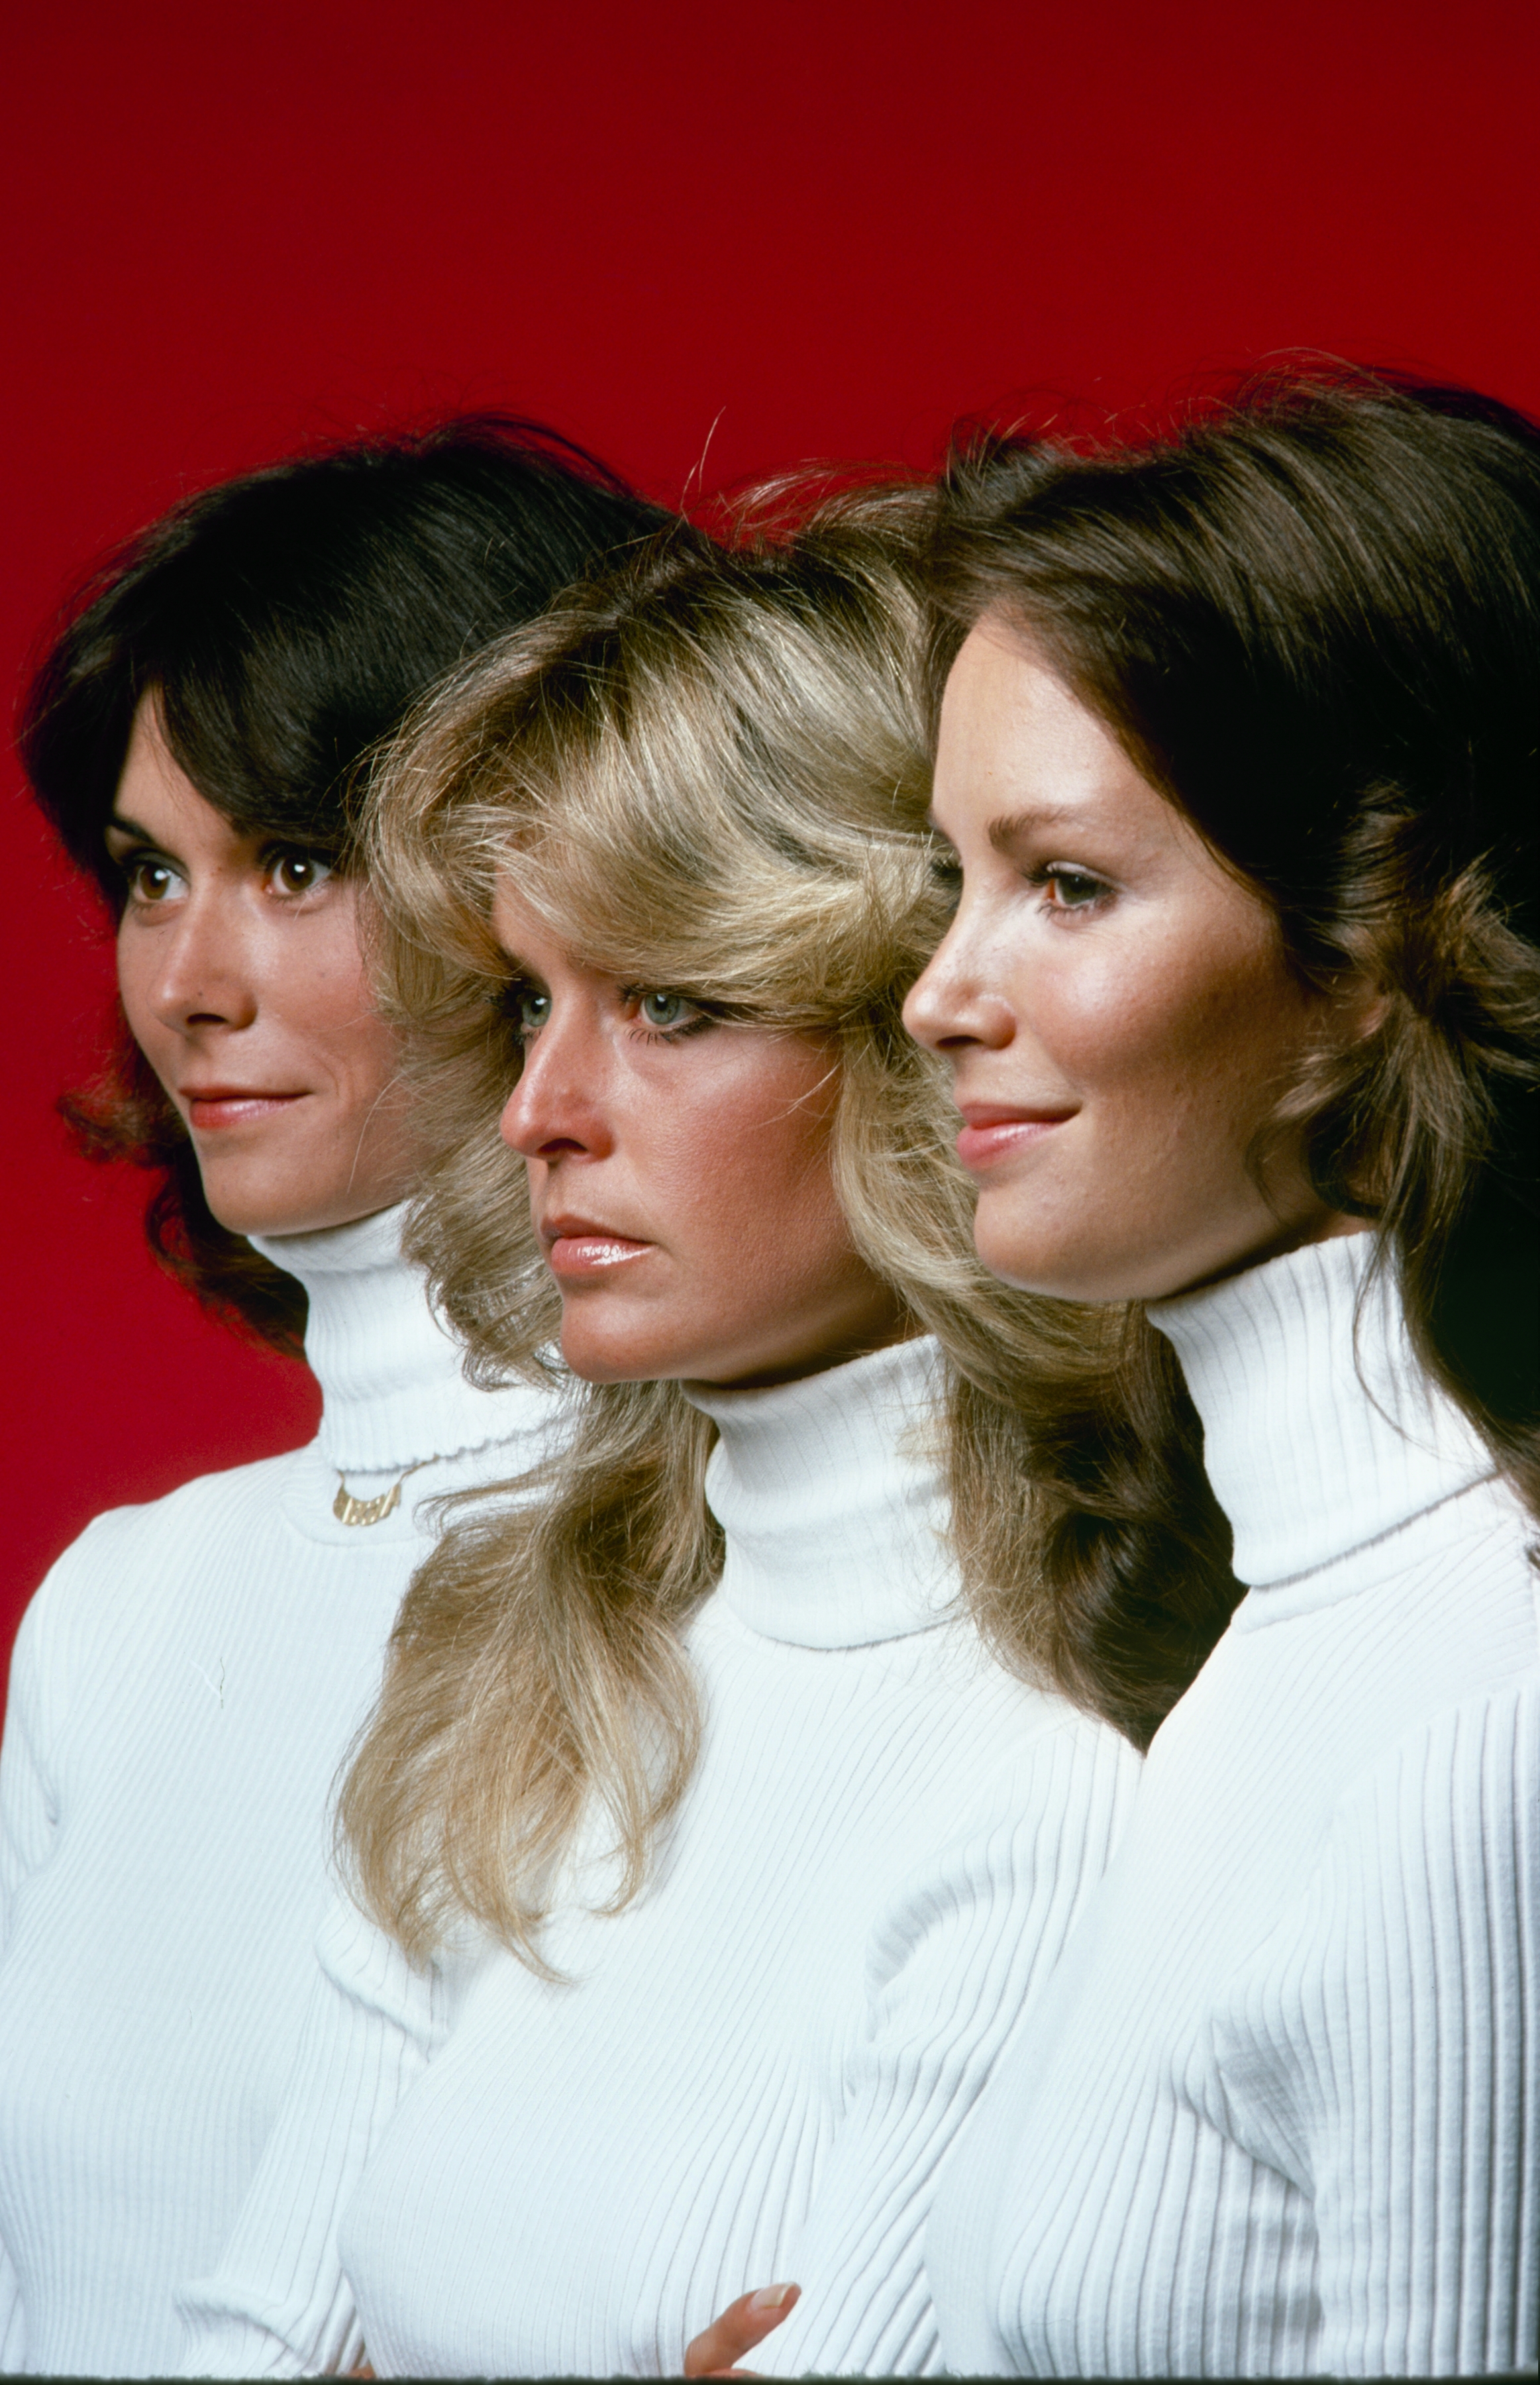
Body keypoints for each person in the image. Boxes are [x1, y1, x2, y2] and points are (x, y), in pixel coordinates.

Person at [176, 494, 1157, 2380]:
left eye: (674, 1004)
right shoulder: (518, 1661)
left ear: (926, 1028)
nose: (540, 1108)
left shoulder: (1066, 1767)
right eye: (529, 1002)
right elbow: (253, 2335)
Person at [0, 419, 671, 2378]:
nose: (188, 980)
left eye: (295, 864)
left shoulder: (725, 1553)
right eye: (147, 874)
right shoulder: (123, 1603)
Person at [900, 376, 1538, 2376]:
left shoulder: (1475, 1736)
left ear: (1380, 942)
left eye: (1064, 886)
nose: (937, 994)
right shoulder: (1271, 1651)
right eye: (953, 881)